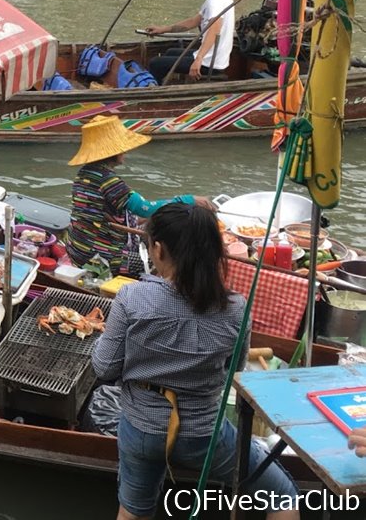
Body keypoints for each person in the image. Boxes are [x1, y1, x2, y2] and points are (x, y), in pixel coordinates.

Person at [92, 203, 300, 520]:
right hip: (203, 434)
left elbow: (104, 369)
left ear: (158, 249)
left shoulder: (131, 298)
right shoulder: (235, 308)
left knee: (134, 511)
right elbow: (236, 369)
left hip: (142, 430)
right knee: (284, 497)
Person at [66, 115, 210, 276]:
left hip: (77, 246)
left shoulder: (85, 173)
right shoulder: (108, 180)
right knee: (165, 261)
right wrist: (189, 200)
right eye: (122, 147)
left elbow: (107, 213)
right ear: (113, 152)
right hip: (99, 257)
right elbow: (145, 209)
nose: (126, 151)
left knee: (150, 230)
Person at [146, 0, 236, 83]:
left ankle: (153, 95)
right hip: (214, 58)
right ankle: (163, 86)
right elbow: (194, 21)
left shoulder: (215, 0)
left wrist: (199, 59)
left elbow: (214, 29)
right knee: (170, 52)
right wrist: (162, 29)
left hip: (210, 63)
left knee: (155, 63)